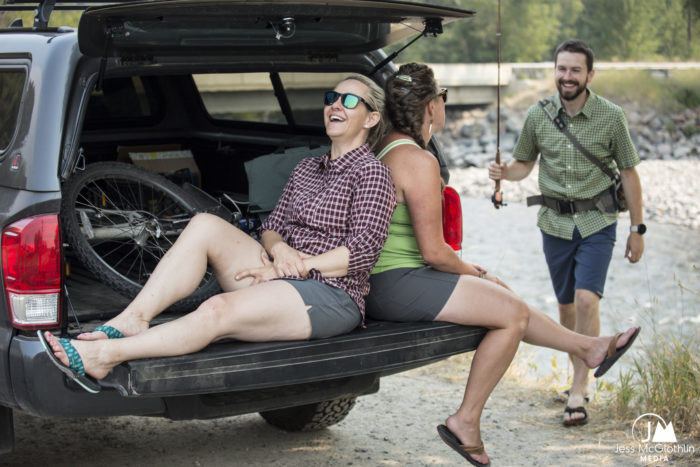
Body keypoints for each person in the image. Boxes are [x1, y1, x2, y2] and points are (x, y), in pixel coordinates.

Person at [40, 74, 396, 394]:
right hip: (280, 271)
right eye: (332, 97)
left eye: (349, 101)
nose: (335, 105)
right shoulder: (307, 168)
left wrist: (289, 266)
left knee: (216, 309)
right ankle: (135, 317)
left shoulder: (372, 174)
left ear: (371, 118)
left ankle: (105, 354)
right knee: (204, 224)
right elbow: (271, 228)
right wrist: (281, 249)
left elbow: (361, 255)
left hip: (331, 293)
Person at [365, 62, 640, 466]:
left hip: (393, 278)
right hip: (396, 282)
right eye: (442, 98)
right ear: (430, 108)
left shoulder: (385, 147)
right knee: (509, 311)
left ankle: (590, 348)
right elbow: (434, 253)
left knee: (504, 299)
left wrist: (475, 273)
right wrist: (475, 271)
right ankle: (466, 421)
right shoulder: (418, 161)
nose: (443, 105)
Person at [488, 39, 644, 427]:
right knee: (566, 308)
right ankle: (577, 371)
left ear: (590, 75)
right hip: (554, 224)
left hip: (599, 222)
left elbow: (629, 172)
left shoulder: (611, 116)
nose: (567, 76)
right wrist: (505, 173)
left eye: (575, 70)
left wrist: (638, 229)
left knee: (587, 298)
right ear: (554, 71)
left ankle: (579, 387)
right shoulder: (538, 115)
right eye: (562, 69)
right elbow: (525, 164)